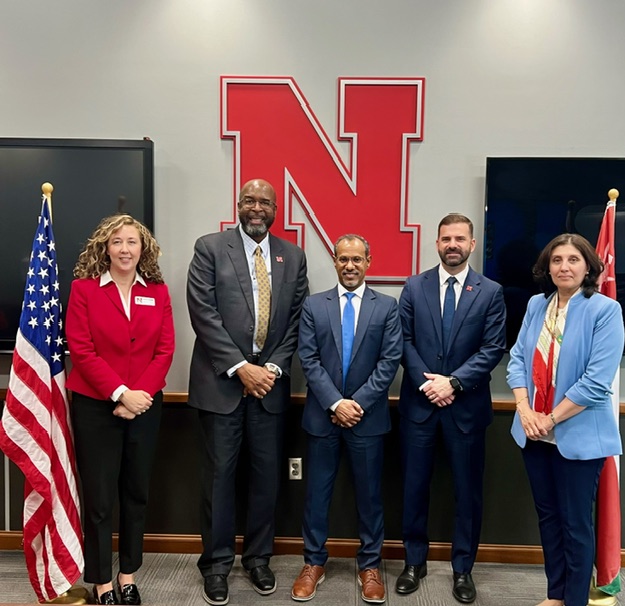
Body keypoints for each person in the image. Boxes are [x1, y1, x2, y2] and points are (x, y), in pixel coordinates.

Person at [187, 178, 308, 605]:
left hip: (270, 388)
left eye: (265, 202)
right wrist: (242, 370)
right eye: (250, 200)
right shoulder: (210, 248)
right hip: (221, 386)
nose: (257, 208)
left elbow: (298, 319)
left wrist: (270, 368)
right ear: (238, 204)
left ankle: (258, 559)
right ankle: (217, 565)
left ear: (276, 209)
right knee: (219, 480)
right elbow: (202, 313)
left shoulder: (292, 256)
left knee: (265, 479)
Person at [507, 233, 624, 606]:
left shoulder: (604, 310)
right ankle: (555, 595)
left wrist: (550, 419)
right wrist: (526, 411)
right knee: (549, 520)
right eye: (557, 260)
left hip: (577, 435)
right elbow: (518, 361)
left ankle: (575, 600)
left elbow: (595, 382)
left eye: (573, 260)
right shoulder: (536, 305)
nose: (564, 267)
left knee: (575, 525)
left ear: (588, 266)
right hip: (533, 432)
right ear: (547, 266)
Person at [66, 214, 175, 605]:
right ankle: (100, 582)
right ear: (104, 249)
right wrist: (119, 393)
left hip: (145, 405)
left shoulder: (158, 292)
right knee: (99, 498)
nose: (125, 249)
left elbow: (165, 350)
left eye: (132, 241)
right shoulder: (84, 290)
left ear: (142, 248)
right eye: (117, 242)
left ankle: (127, 575)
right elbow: (81, 349)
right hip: (96, 406)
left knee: (135, 493)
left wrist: (138, 395)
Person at [397, 213, 506, 603]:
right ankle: (414, 562)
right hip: (420, 406)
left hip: (466, 410)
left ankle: (463, 570)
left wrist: (454, 383)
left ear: (472, 244)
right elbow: (403, 342)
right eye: (446, 238)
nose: (453, 245)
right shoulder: (413, 287)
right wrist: (430, 385)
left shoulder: (490, 291)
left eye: (460, 238)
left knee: (467, 493)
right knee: (413, 489)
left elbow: (493, 348)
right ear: (437, 243)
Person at [291, 234, 402, 604]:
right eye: (343, 259)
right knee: (316, 495)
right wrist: (335, 403)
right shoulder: (314, 306)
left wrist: (356, 403)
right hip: (323, 418)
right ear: (335, 261)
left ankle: (370, 565)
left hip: (367, 420)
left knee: (370, 497)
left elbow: (389, 363)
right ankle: (313, 563)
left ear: (369, 261)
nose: (350, 266)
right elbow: (308, 360)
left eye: (357, 259)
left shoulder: (387, 307)